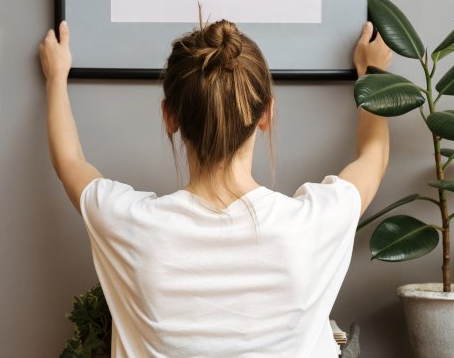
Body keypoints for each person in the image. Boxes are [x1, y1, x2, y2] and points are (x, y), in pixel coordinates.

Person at [39, 18, 392, 357]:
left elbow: (69, 163)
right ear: (267, 114)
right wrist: (372, 73)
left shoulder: (129, 224)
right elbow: (373, 158)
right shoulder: (312, 224)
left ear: (169, 116)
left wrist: (56, 78)